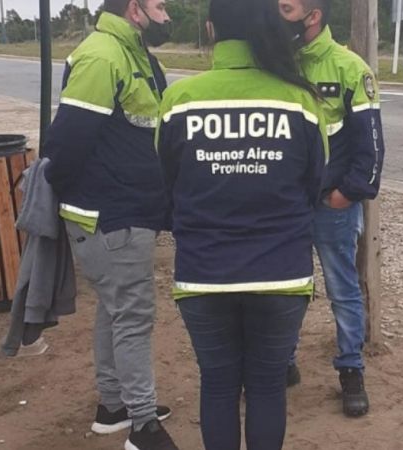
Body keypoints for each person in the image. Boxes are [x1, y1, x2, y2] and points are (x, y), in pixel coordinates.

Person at [155, 0, 327, 447]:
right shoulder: (300, 99)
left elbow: (167, 182)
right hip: (281, 273)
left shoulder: (179, 100)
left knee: (217, 383)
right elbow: (314, 183)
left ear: (211, 30)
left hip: (203, 274)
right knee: (268, 386)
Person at [42, 1, 178, 449]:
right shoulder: (102, 56)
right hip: (110, 217)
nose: (168, 13)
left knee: (116, 308)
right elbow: (64, 144)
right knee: (134, 316)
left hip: (127, 213)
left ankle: (114, 406)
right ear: (135, 8)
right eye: (160, 5)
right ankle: (142, 427)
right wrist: (93, 195)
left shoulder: (136, 54)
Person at [279, 0, 385, 418]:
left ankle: (351, 370)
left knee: (342, 290)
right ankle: (282, 361)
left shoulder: (348, 67)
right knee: (287, 287)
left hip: (332, 206)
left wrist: (347, 193)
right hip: (285, 206)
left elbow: (371, 147)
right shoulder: (275, 63)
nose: (276, 16)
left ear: (313, 15)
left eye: (285, 9)